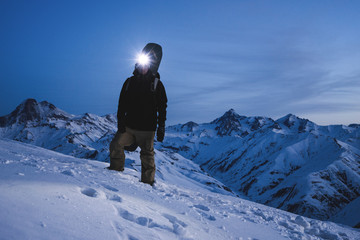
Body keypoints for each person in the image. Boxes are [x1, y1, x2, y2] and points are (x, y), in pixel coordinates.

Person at [108, 43, 167, 186]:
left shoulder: (157, 84)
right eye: (140, 64)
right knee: (116, 144)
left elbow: (162, 107)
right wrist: (120, 121)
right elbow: (122, 103)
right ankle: (115, 173)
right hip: (129, 126)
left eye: (146, 64)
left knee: (147, 156)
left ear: (150, 66)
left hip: (147, 129)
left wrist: (161, 127)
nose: (143, 67)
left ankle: (147, 183)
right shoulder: (129, 82)